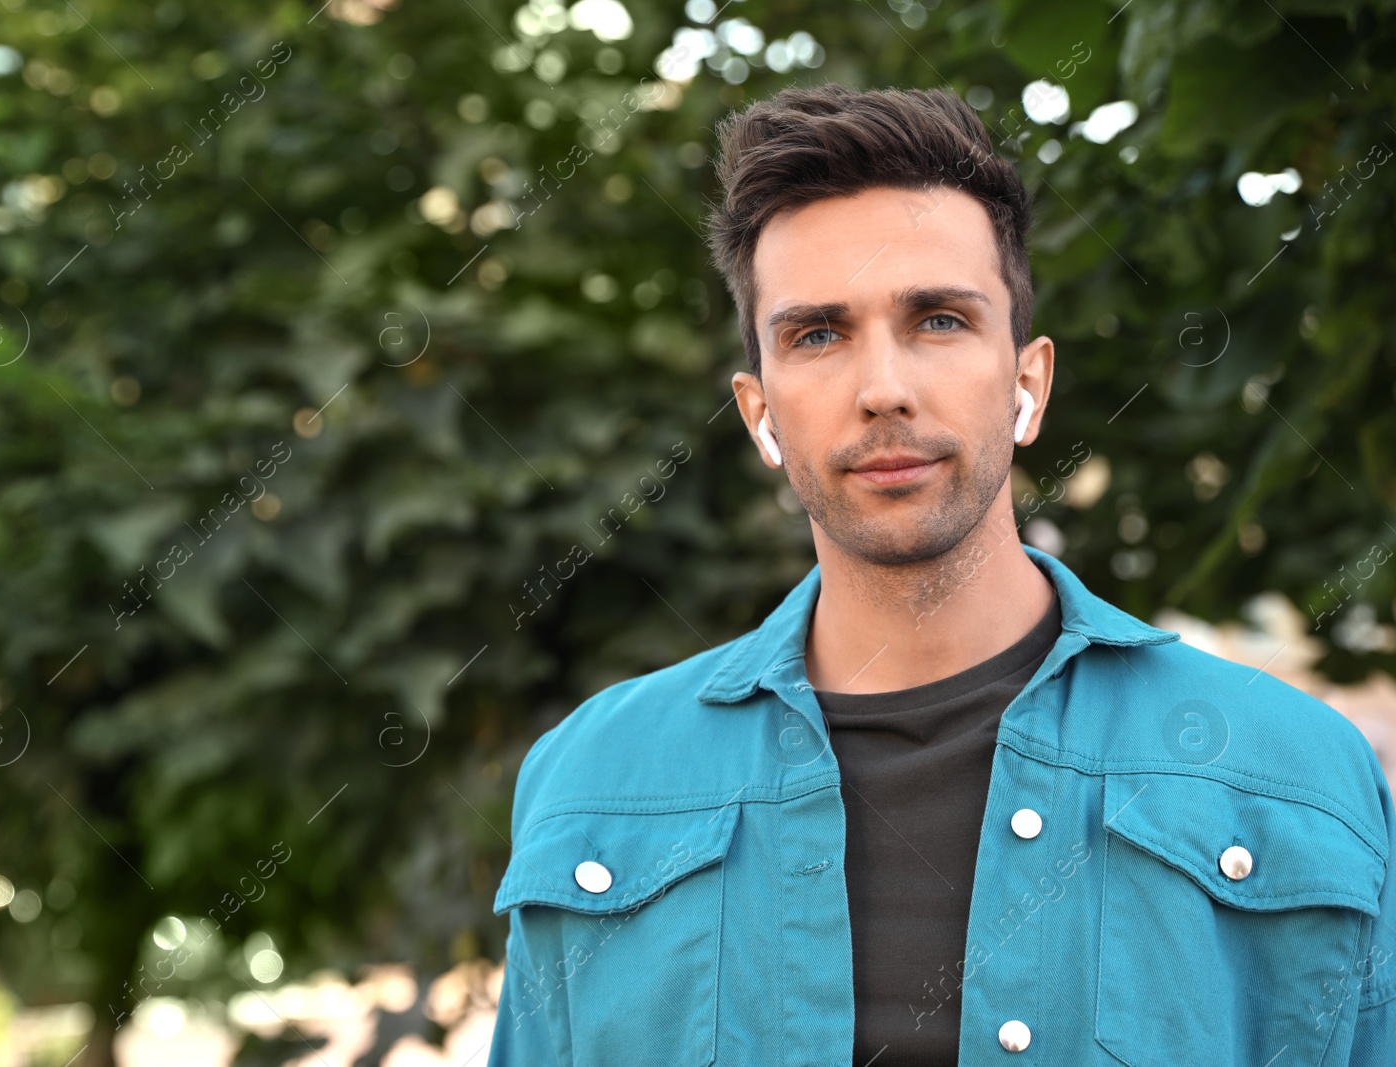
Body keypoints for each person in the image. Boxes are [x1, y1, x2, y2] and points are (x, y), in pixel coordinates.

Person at [485, 84, 1396, 1066]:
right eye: (817, 334)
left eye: (938, 320)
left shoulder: (1291, 773)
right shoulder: (593, 784)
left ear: (1027, 382)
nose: (883, 388)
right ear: (760, 412)